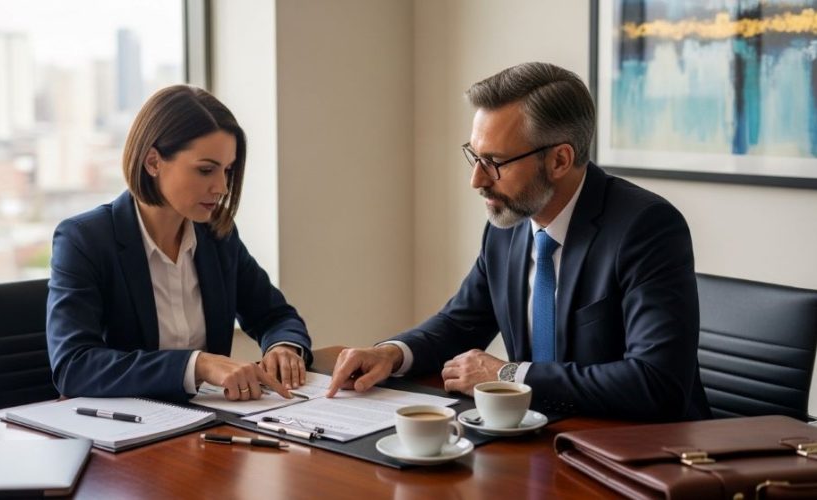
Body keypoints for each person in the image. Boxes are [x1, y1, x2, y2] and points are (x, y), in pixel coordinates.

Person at [327, 62, 711, 421]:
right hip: (538, 438)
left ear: (560, 160)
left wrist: (509, 373)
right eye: (474, 157)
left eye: (494, 161)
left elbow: (656, 382)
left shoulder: (645, 228)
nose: (477, 180)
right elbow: (461, 322)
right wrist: (391, 354)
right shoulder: (507, 224)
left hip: (633, 456)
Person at [47, 85, 311, 403]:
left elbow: (275, 315)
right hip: (126, 433)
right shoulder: (85, 240)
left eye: (228, 171)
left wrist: (283, 346)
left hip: (207, 424)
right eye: (205, 170)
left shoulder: (217, 235)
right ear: (153, 162)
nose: (222, 187)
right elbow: (75, 366)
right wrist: (197, 365)